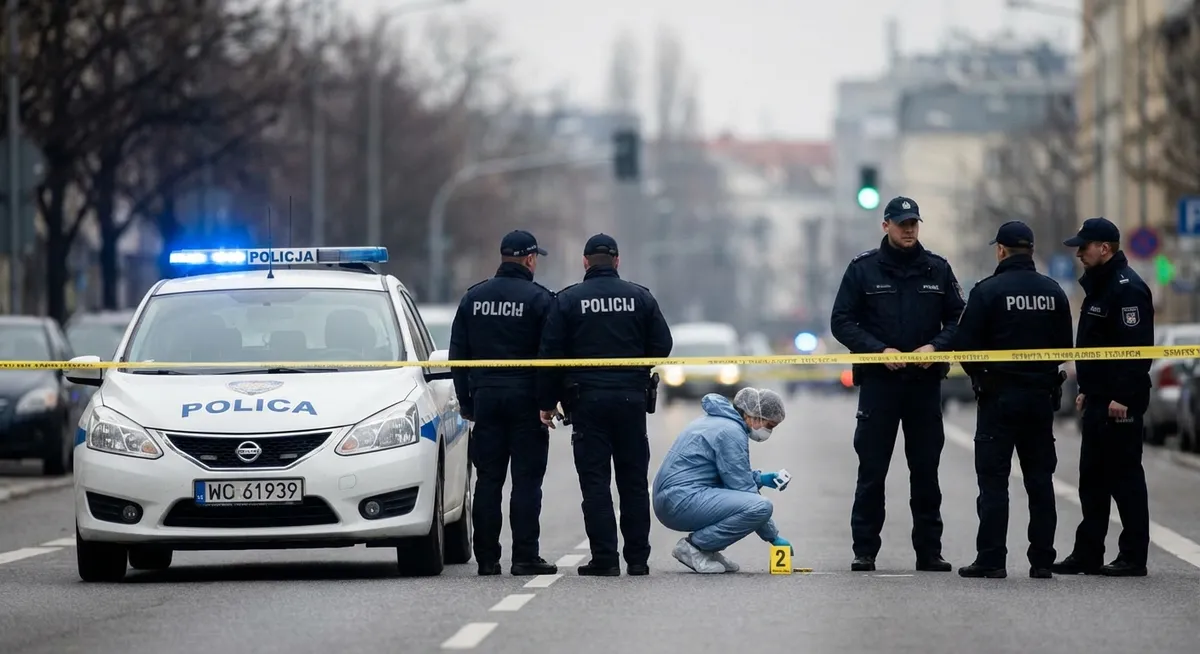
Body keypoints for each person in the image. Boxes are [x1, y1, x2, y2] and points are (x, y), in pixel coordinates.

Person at [829, 195, 965, 573]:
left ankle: (929, 551)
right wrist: (877, 349)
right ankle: (865, 550)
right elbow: (841, 320)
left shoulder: (936, 269)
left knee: (925, 472)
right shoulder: (863, 269)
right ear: (886, 225)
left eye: (914, 224)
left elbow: (959, 318)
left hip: (923, 385)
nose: (909, 230)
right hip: (880, 383)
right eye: (902, 224)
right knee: (872, 471)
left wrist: (935, 346)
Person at [537, 233, 674, 576]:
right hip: (631, 400)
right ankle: (638, 561)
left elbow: (550, 354)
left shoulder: (568, 300)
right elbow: (663, 344)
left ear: (585, 262)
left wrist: (547, 402)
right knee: (633, 482)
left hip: (587, 402)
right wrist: (637, 368)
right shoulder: (640, 297)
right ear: (617, 261)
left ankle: (605, 559)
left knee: (595, 483)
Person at [951, 221, 1074, 579]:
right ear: (1031, 251)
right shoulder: (1053, 292)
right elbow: (1064, 347)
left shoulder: (987, 291)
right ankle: (1042, 560)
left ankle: (991, 559)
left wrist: (983, 375)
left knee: (993, 483)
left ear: (1001, 250)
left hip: (998, 400)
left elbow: (965, 347)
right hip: (1039, 400)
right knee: (1040, 481)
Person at [449, 229, 558, 577]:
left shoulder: (473, 298)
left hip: (487, 401)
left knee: (488, 481)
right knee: (526, 482)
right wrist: (547, 403)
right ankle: (525, 556)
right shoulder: (541, 300)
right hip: (526, 402)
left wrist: (467, 402)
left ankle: (487, 559)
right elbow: (550, 355)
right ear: (529, 259)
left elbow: (458, 357)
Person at [1052, 217, 1153, 577]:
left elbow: (1137, 349)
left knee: (1124, 479)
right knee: (1091, 479)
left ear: (1105, 248)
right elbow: (1097, 347)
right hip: (1098, 399)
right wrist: (1086, 390)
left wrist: (1122, 395)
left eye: (1084, 246)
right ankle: (1088, 553)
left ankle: (1133, 556)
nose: (1079, 252)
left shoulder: (1127, 289)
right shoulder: (1100, 285)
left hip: (1119, 403)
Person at [652, 389, 792, 574]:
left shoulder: (717, 421)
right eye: (770, 425)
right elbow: (742, 488)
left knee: (752, 504)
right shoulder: (731, 432)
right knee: (761, 507)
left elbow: (726, 473)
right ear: (754, 415)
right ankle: (695, 548)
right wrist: (773, 537)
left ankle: (707, 550)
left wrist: (761, 479)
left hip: (675, 497)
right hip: (680, 500)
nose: (768, 431)